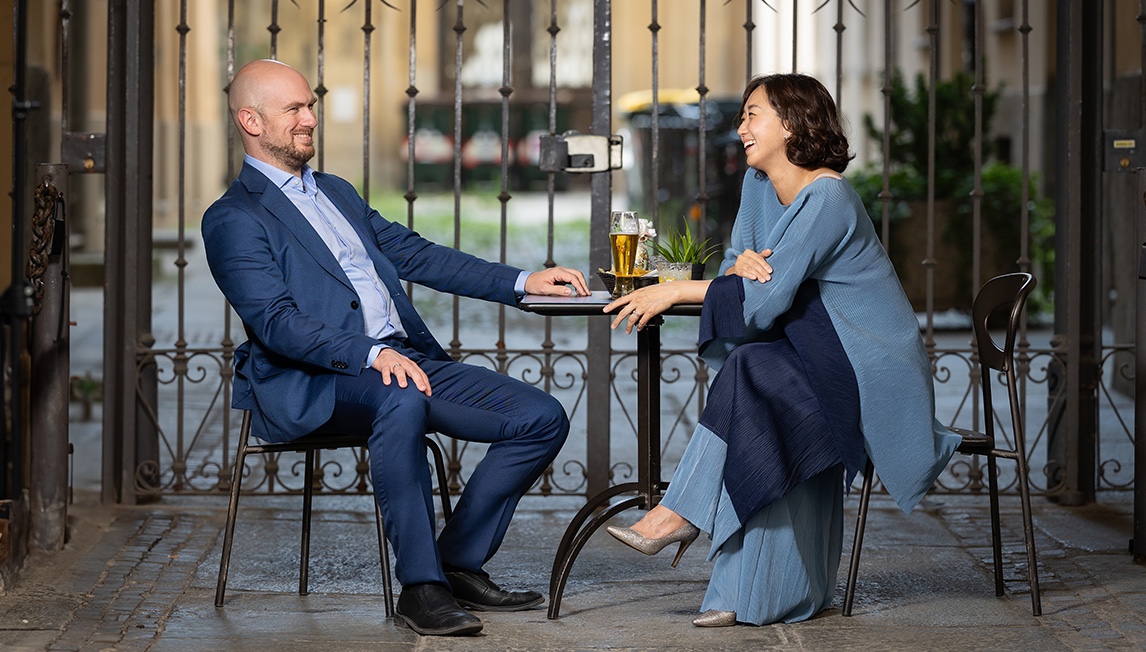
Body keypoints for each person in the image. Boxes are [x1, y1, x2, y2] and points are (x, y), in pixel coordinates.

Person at [202, 59, 589, 637]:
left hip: (399, 360)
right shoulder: (234, 217)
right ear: (250, 120)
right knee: (398, 398)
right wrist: (367, 355)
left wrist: (521, 281)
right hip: (315, 380)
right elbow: (277, 324)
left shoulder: (337, 192)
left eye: (311, 105)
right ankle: (420, 588)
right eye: (294, 110)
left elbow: (419, 255)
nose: (310, 118)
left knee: (540, 417)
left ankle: (456, 562)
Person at [602, 73, 961, 627]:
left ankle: (683, 517)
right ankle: (742, 586)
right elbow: (736, 275)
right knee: (756, 385)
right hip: (807, 354)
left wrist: (676, 287)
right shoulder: (757, 189)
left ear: (792, 123)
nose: (740, 127)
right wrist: (741, 269)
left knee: (753, 374)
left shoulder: (829, 196)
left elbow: (765, 300)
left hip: (866, 368)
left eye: (752, 114)